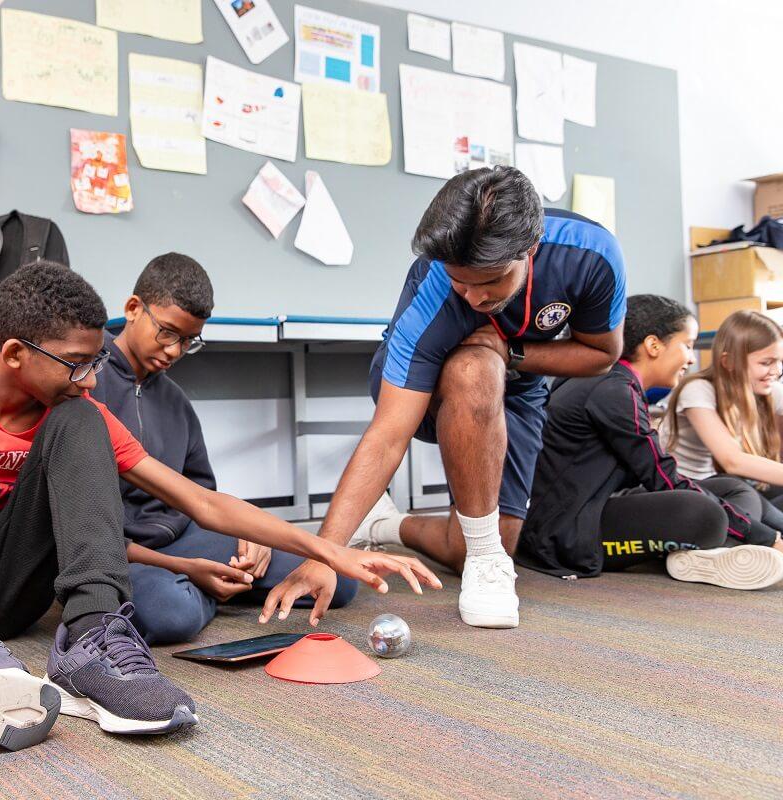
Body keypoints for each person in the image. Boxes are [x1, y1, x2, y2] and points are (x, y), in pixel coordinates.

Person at [0, 262, 440, 749]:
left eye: (95, 360)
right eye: (74, 363)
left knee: (81, 423)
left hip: (0, 589)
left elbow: (201, 503)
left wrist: (326, 547)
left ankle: (92, 644)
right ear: (13, 353)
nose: (91, 378)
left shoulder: (78, 411)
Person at [264, 166, 626, 630]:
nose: (474, 298)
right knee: (474, 365)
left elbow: (601, 355)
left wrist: (513, 352)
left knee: (484, 541)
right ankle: (483, 554)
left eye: (490, 281)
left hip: (518, 384)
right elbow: (389, 434)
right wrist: (326, 552)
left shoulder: (590, 255)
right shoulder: (432, 292)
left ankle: (386, 525)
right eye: (462, 282)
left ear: (530, 249)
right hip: (430, 388)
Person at [90, 253, 357, 645]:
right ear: (133, 308)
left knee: (335, 577)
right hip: (126, 555)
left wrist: (257, 538)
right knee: (170, 613)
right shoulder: (87, 383)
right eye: (167, 332)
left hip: (184, 537)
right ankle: (208, 587)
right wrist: (186, 568)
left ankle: (210, 583)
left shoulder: (176, 401)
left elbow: (206, 498)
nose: (175, 351)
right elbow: (84, 531)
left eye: (188, 341)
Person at [517, 294, 783, 587]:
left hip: (598, 503)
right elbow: (665, 479)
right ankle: (726, 546)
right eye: (688, 345)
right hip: (566, 533)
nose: (692, 358)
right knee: (706, 515)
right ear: (653, 345)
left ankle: (712, 552)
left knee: (733, 488)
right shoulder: (613, 390)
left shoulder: (611, 381)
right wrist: (765, 536)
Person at [661, 310, 783, 525]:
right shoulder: (698, 390)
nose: (777, 371)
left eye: (780, 362)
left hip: (730, 486)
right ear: (729, 362)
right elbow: (732, 461)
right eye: (766, 363)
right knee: (747, 496)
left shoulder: (769, 390)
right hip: (688, 490)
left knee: (751, 494)